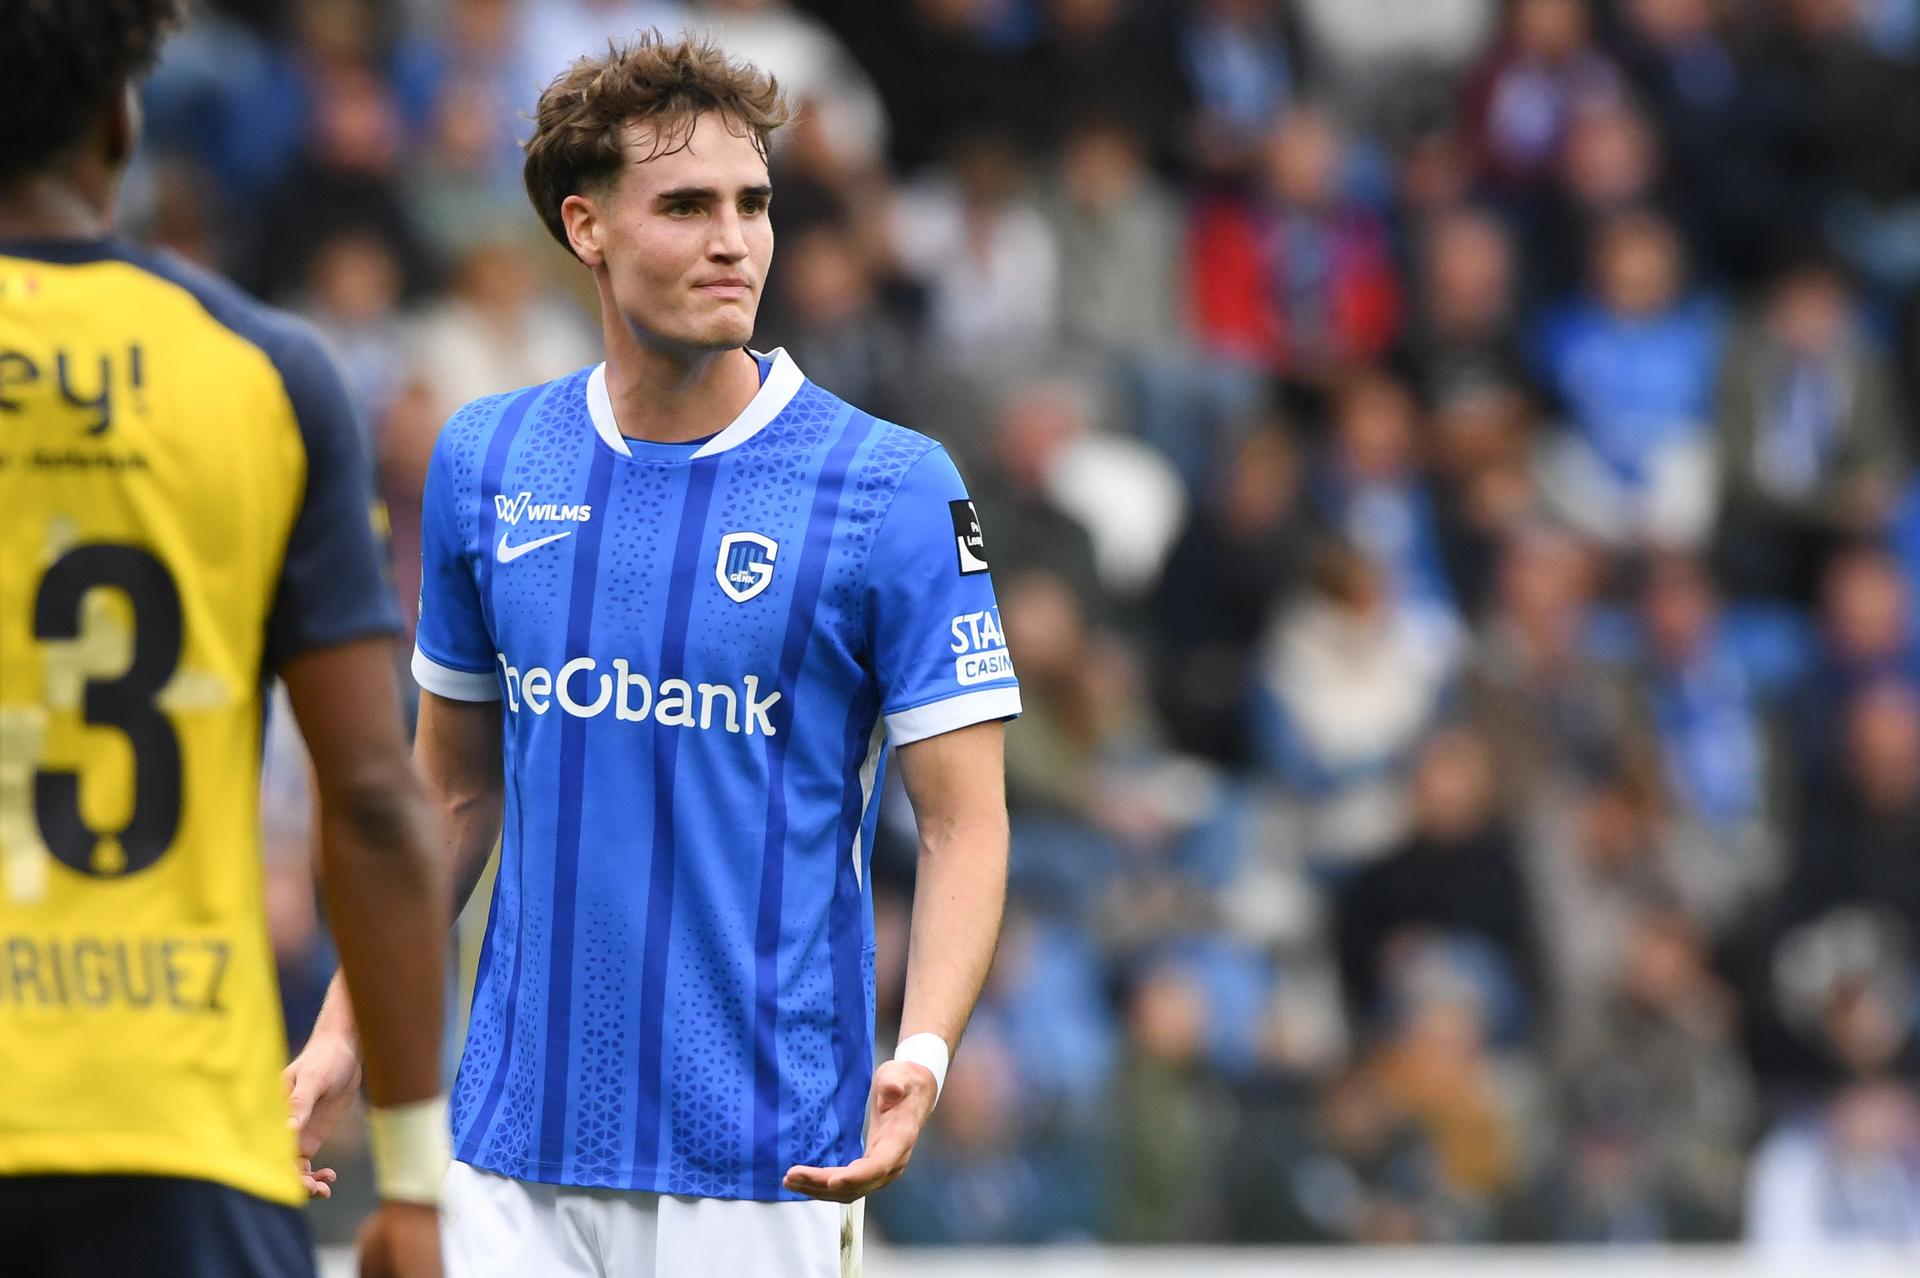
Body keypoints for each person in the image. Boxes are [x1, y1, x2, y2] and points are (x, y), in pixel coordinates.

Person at [284, 31, 1020, 1278]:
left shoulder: (890, 485)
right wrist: (344, 1032)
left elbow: (964, 821)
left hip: (766, 1162)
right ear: (586, 227)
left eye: (753, 204)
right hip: (510, 1149)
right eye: (685, 206)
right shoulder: (486, 460)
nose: (734, 241)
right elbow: (446, 794)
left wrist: (925, 1050)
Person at [0, 3, 450, 1277]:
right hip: (171, 1127)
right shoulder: (264, 373)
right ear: (118, 120)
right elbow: (373, 800)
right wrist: (413, 1181)